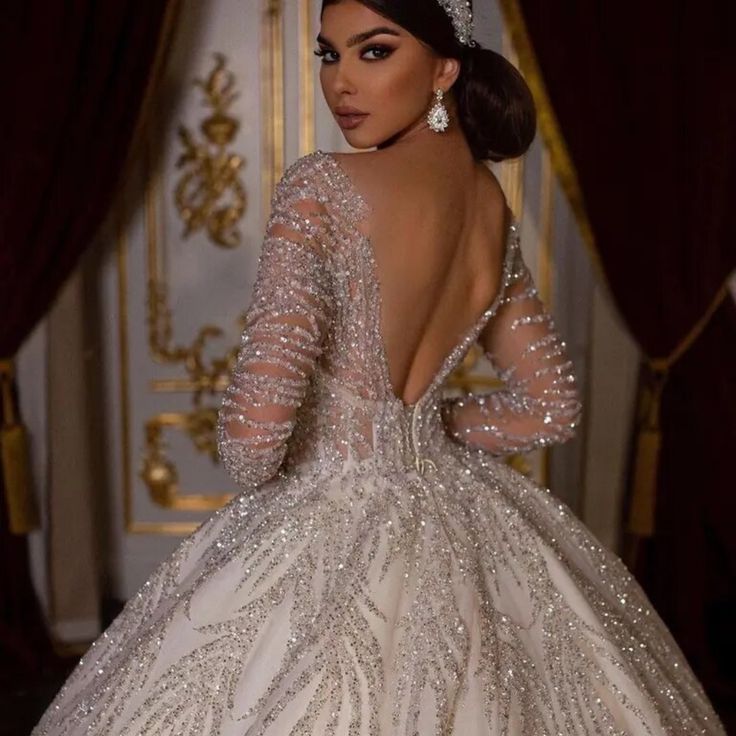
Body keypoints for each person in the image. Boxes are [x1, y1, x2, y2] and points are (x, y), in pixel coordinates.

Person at [32, 0, 727, 734]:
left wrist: (354, 427)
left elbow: (250, 446)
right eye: (329, 55)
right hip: (456, 506)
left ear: (444, 69)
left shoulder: (321, 188)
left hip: (328, 509)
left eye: (374, 51)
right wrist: (425, 427)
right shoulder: (491, 208)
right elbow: (549, 406)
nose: (341, 83)